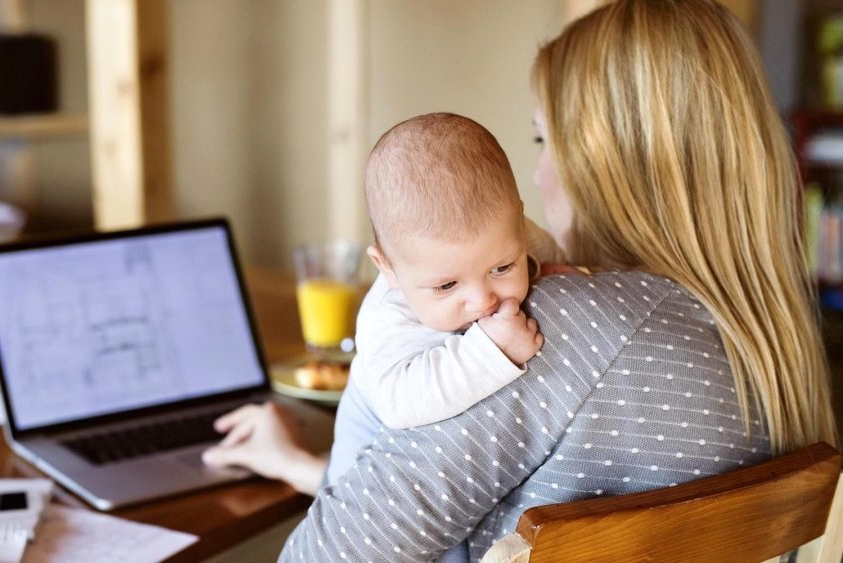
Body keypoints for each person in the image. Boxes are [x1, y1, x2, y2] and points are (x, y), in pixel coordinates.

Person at [213, 1, 839, 560]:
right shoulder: (771, 343)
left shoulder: (564, 329)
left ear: (609, 162)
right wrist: (305, 466)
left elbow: (327, 556)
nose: (536, 178)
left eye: (544, 140)